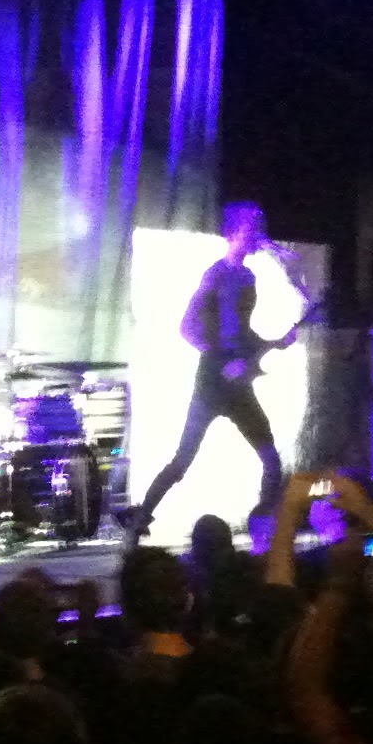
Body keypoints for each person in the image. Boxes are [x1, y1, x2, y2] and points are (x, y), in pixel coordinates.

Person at [119, 202, 303, 540]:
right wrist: (222, 362)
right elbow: (187, 327)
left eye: (258, 227)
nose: (256, 234)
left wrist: (275, 342)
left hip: (238, 385)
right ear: (233, 232)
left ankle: (263, 522)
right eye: (249, 228)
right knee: (183, 459)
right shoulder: (216, 274)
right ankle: (140, 517)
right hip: (212, 383)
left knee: (270, 458)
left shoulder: (247, 277)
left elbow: (242, 334)